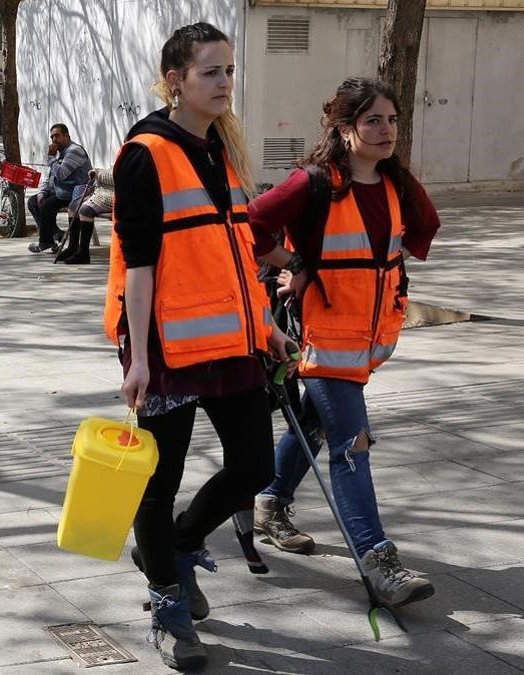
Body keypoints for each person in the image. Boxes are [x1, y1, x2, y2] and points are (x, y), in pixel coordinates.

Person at [106, 22, 294, 670]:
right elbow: (138, 263)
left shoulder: (220, 149)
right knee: (157, 484)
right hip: (165, 348)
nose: (224, 83)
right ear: (175, 81)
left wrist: (264, 322)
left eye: (229, 71)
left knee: (255, 466)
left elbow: (237, 251)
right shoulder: (144, 154)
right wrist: (137, 358)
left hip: (232, 340)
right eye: (210, 72)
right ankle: (167, 601)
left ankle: (179, 546)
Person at [249, 77, 441, 606]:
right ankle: (377, 560)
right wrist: (296, 264)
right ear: (345, 127)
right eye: (373, 120)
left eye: (393, 119)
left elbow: (423, 230)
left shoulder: (397, 184)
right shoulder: (313, 183)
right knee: (352, 445)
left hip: (370, 339)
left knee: (313, 420)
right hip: (323, 340)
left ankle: (270, 500)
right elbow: (251, 225)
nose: (386, 130)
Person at [27, 124, 89, 253]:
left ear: (67, 136)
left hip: (75, 193)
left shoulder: (74, 151)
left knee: (46, 206)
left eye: (57, 136)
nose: (54, 139)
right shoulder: (59, 153)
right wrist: (43, 192)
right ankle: (55, 236)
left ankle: (44, 242)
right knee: (33, 202)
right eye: (52, 137)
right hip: (62, 191)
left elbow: (61, 174)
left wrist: (50, 158)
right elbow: (49, 175)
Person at [57, 167, 113, 265]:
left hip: (116, 194)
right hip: (103, 192)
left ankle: (83, 253)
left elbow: (117, 175)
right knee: (73, 206)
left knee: (85, 210)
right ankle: (72, 247)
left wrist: (98, 173)